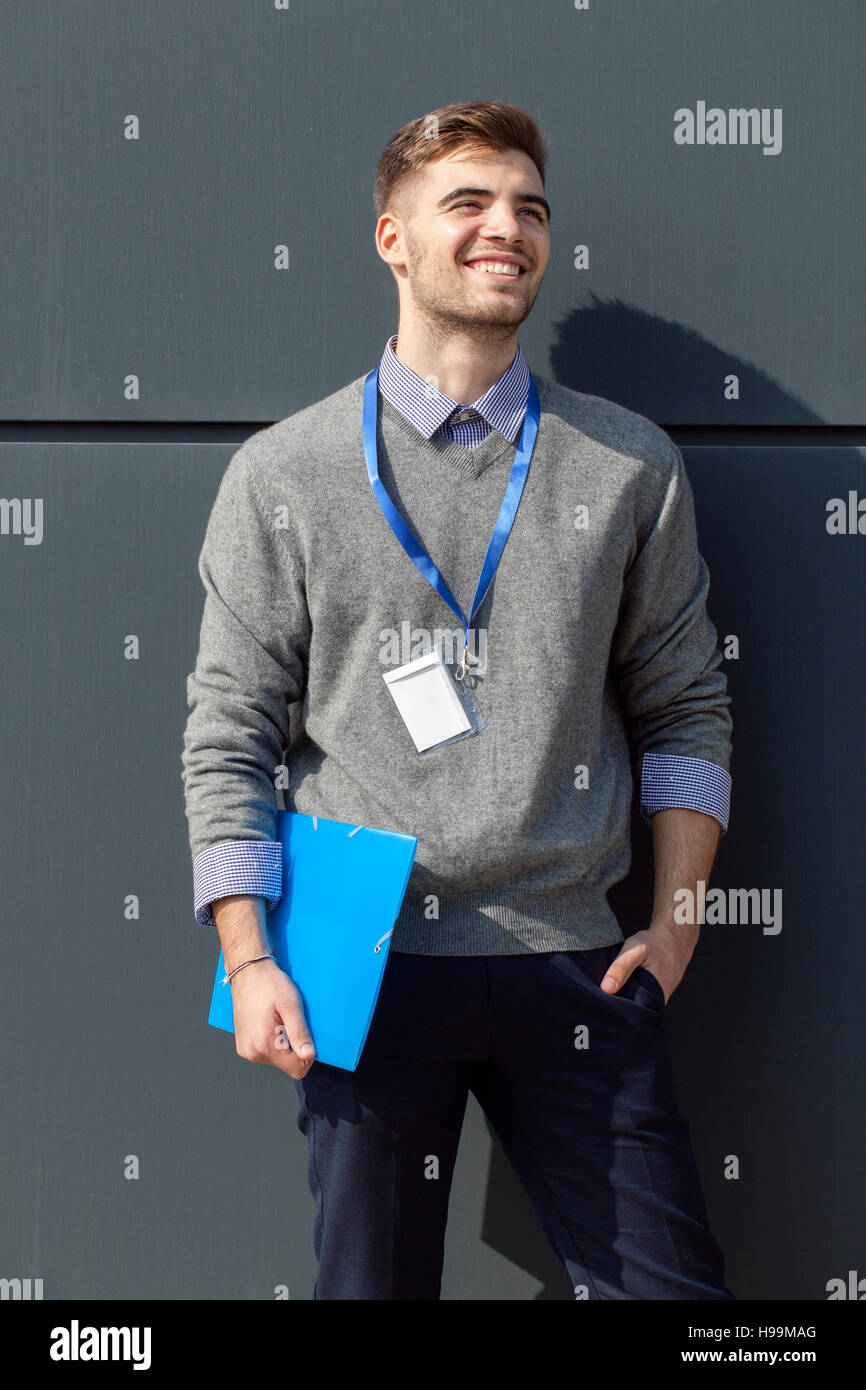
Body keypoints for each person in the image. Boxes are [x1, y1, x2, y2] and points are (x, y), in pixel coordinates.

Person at [181, 99, 734, 1301]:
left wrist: (678, 917)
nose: (507, 229)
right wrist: (248, 951)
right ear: (391, 237)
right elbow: (227, 731)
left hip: (574, 956)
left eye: (528, 208)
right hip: (364, 963)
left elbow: (686, 704)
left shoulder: (626, 462)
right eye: (469, 203)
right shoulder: (284, 472)